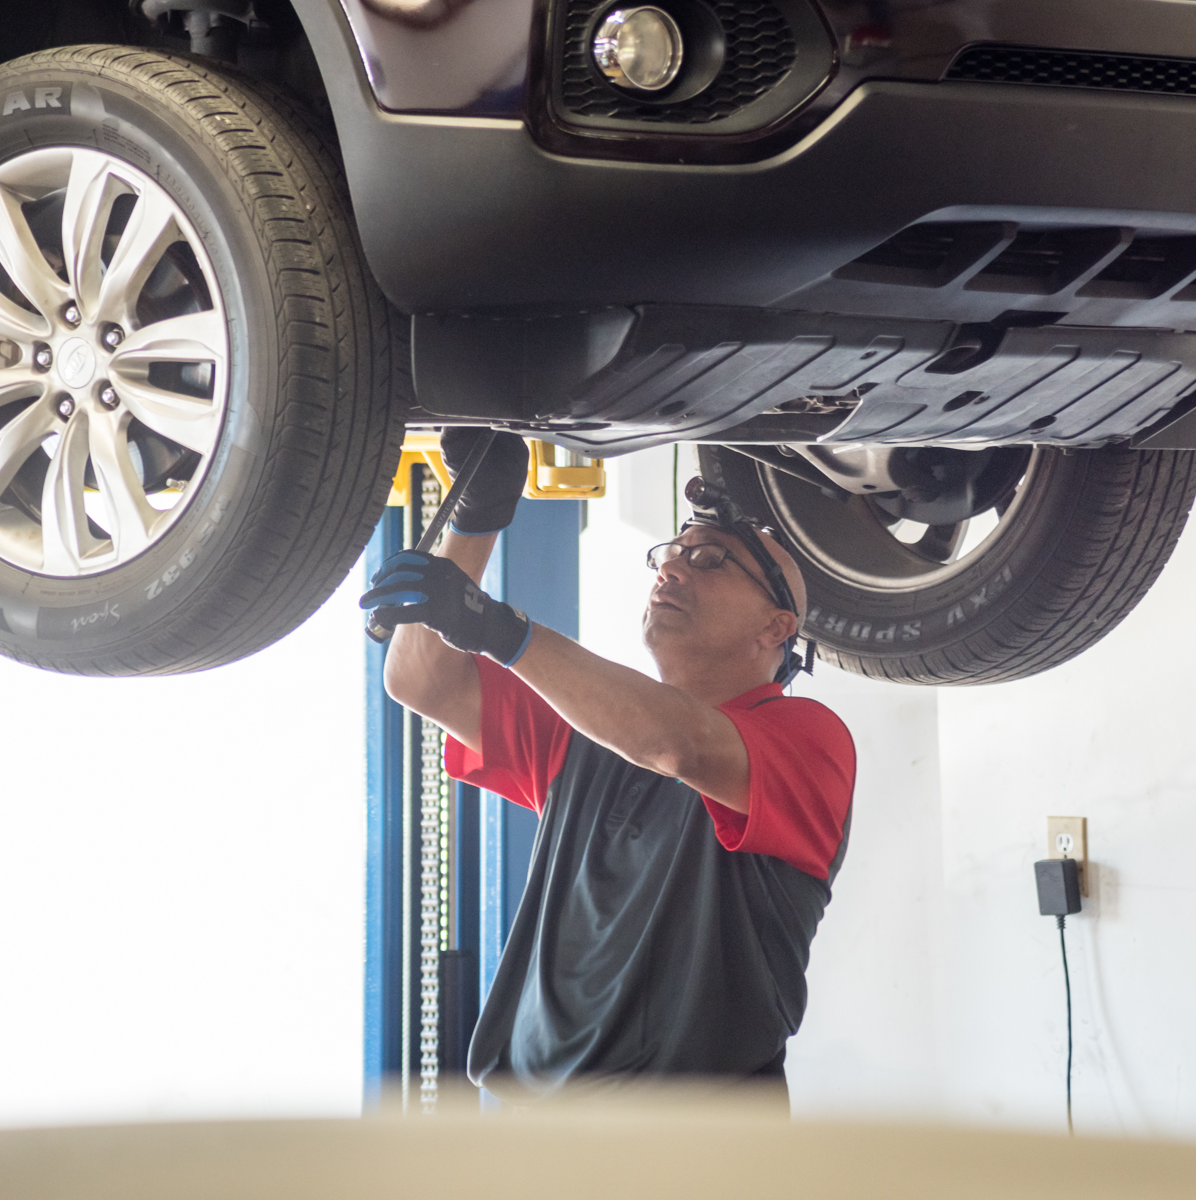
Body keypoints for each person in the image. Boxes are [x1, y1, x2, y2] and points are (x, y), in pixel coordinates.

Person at [362, 429, 856, 1103]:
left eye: (710, 559)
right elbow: (424, 681)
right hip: (538, 1131)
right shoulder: (588, 732)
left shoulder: (807, 738)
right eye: (669, 555)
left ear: (776, 627)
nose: (671, 570)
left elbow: (677, 745)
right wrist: (477, 516)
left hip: (691, 1138)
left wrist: (498, 628)